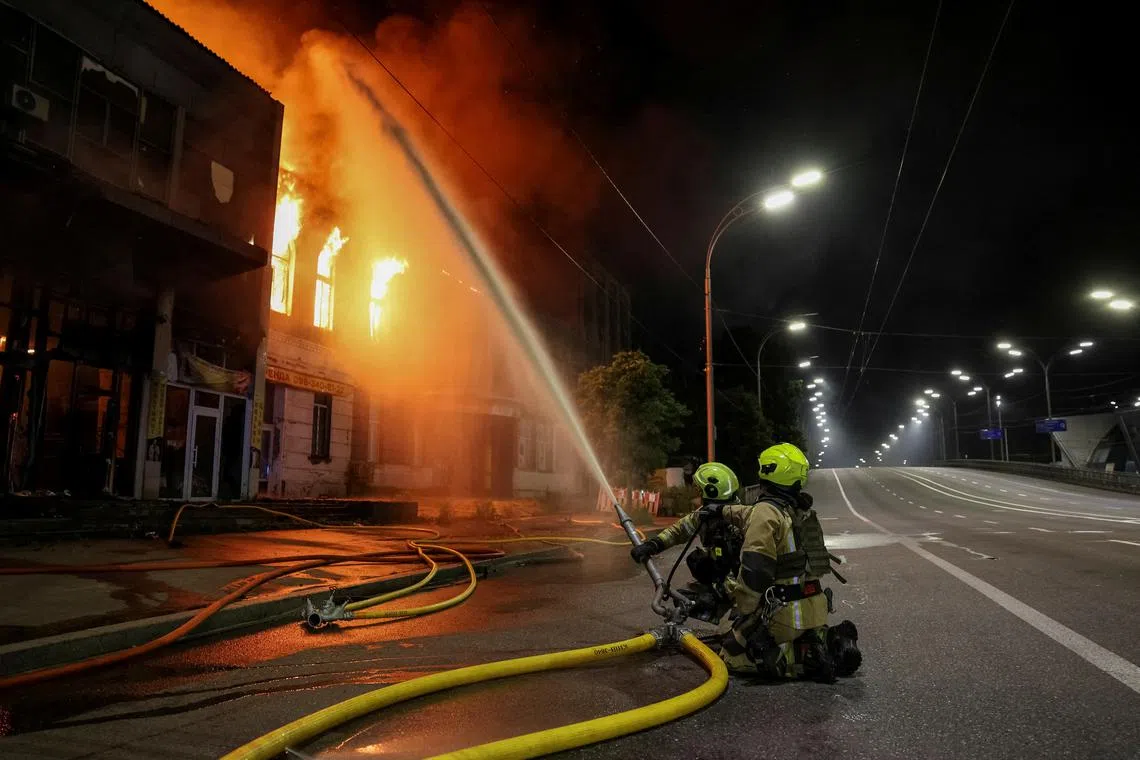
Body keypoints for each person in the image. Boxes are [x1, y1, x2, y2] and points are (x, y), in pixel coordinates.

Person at [633, 444, 862, 682]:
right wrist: (655, 544)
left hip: (785, 611)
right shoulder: (799, 511)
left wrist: (739, 616)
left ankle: (805, 659)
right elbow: (721, 517)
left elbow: (755, 576)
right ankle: (826, 637)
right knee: (752, 630)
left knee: (732, 655)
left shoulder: (764, 513)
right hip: (814, 607)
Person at [630, 461, 744, 621]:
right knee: (697, 561)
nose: (697, 493)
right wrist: (653, 545)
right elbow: (680, 530)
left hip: (746, 589)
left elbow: (746, 571)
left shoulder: (737, 525)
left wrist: (719, 594)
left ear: (711, 491)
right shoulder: (707, 515)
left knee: (735, 640)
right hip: (727, 576)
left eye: (699, 489)